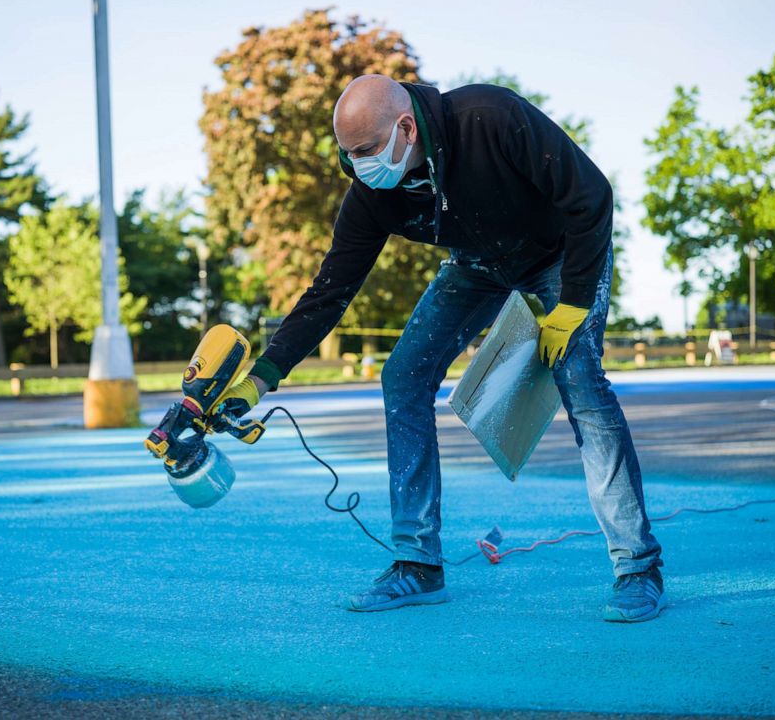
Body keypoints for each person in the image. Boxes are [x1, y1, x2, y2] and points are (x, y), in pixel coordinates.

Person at [211, 74, 665, 622]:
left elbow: (592, 197)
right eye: (347, 153)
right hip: (475, 267)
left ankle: (638, 567)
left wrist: (571, 304)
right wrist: (261, 376)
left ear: (405, 127)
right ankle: (417, 563)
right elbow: (331, 290)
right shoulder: (372, 193)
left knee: (579, 378)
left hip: (559, 258)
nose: (356, 166)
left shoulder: (490, 118)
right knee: (402, 376)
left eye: (365, 151)